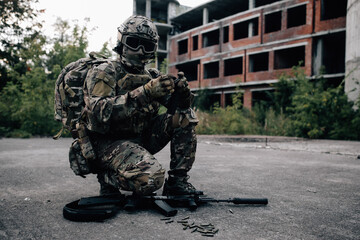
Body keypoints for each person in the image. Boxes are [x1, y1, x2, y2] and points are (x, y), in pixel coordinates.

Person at [77, 15, 199, 196]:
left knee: (184, 116)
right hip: (107, 143)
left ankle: (177, 182)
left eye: (147, 46)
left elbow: (177, 108)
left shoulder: (152, 75)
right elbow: (98, 112)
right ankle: (107, 177)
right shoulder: (104, 72)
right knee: (151, 180)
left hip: (141, 137)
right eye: (134, 43)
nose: (141, 51)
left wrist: (182, 95)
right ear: (122, 43)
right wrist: (146, 93)